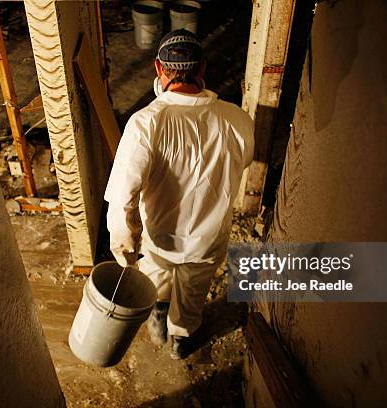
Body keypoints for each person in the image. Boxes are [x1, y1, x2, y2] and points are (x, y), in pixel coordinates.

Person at [104, 29, 254, 359]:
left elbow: (122, 198)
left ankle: (157, 321)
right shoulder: (237, 120)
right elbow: (241, 163)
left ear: (158, 69)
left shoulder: (145, 124)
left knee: (155, 276)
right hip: (207, 238)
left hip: (158, 237)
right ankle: (180, 341)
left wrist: (125, 249)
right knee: (193, 291)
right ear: (202, 69)